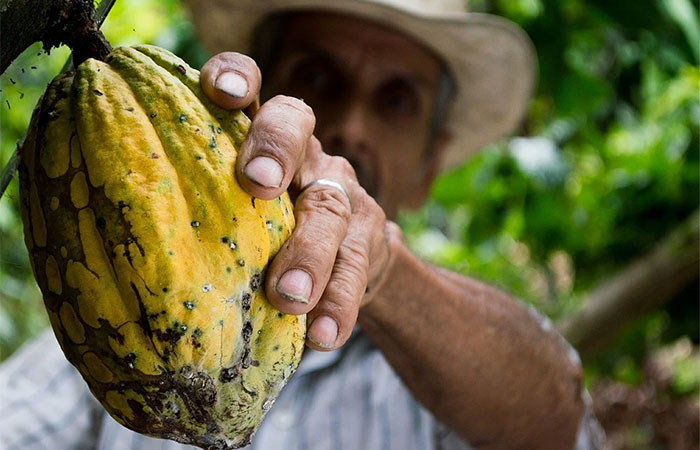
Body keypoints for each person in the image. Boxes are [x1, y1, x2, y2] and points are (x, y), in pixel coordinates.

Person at [0, 0, 605, 449]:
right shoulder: (111, 308)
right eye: (317, 78)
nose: (351, 127)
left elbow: (555, 418)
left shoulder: (447, 381)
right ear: (249, 96)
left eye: (396, 99)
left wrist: (383, 272)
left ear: (431, 165)